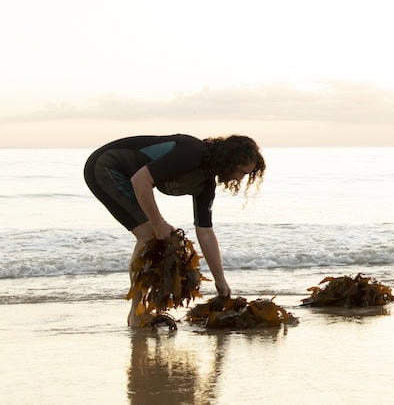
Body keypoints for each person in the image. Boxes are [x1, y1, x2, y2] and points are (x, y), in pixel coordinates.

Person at [84, 133, 266, 327]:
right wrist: (158, 222)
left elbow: (205, 232)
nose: (239, 178)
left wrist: (220, 280)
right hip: (105, 166)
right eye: (241, 172)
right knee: (150, 236)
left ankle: (142, 311)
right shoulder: (192, 152)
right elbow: (140, 180)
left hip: (125, 176)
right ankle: (137, 315)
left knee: (153, 237)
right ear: (229, 160)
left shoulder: (205, 183)